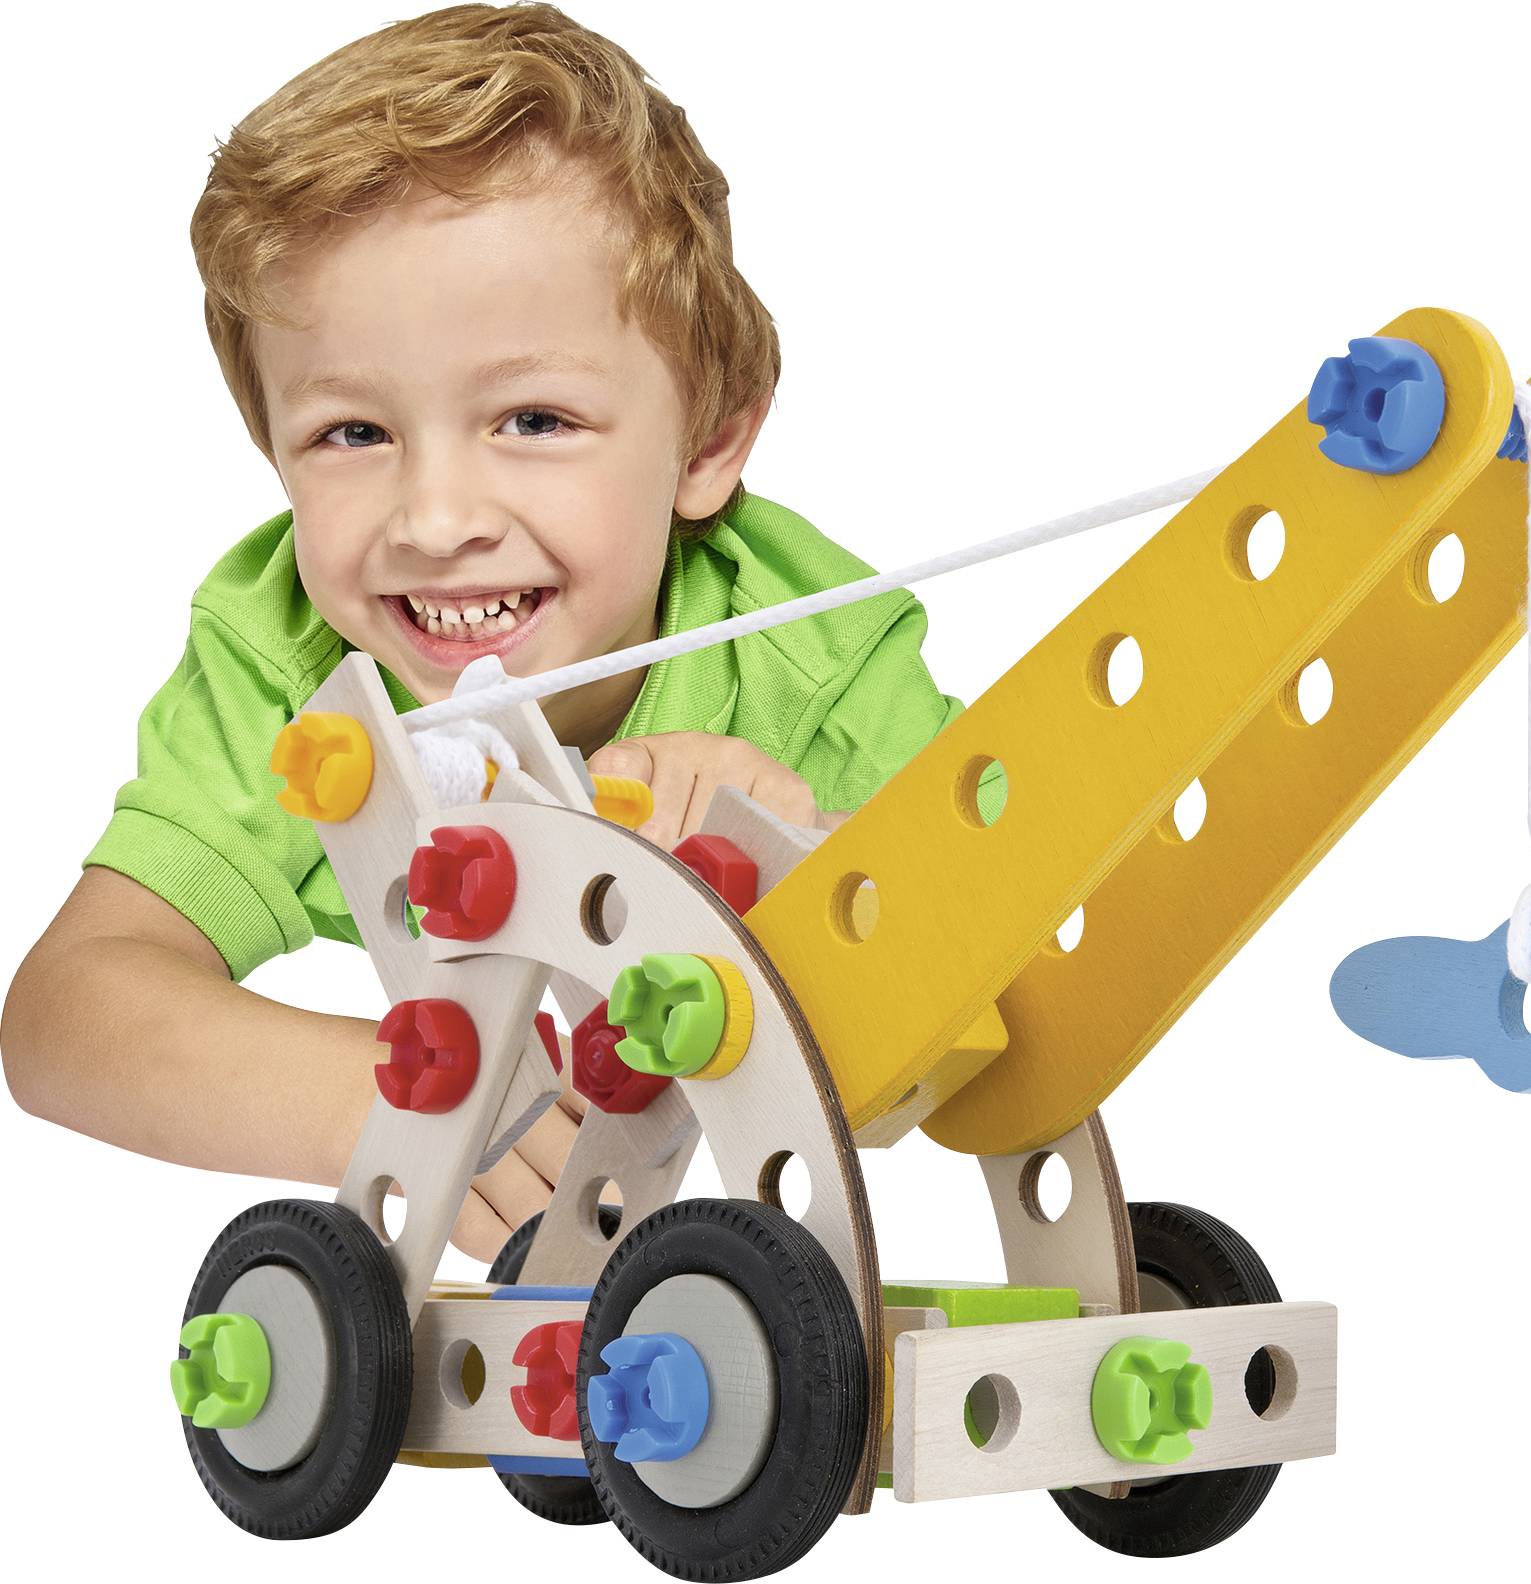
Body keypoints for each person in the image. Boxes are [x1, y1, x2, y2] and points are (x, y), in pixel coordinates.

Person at [0, 3, 986, 1260]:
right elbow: (63, 1016)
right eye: (352, 434)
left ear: (711, 440)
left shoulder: (809, 649)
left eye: (532, 419)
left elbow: (1009, 960)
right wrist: (396, 1095)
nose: (436, 517)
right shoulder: (290, 663)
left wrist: (805, 857)